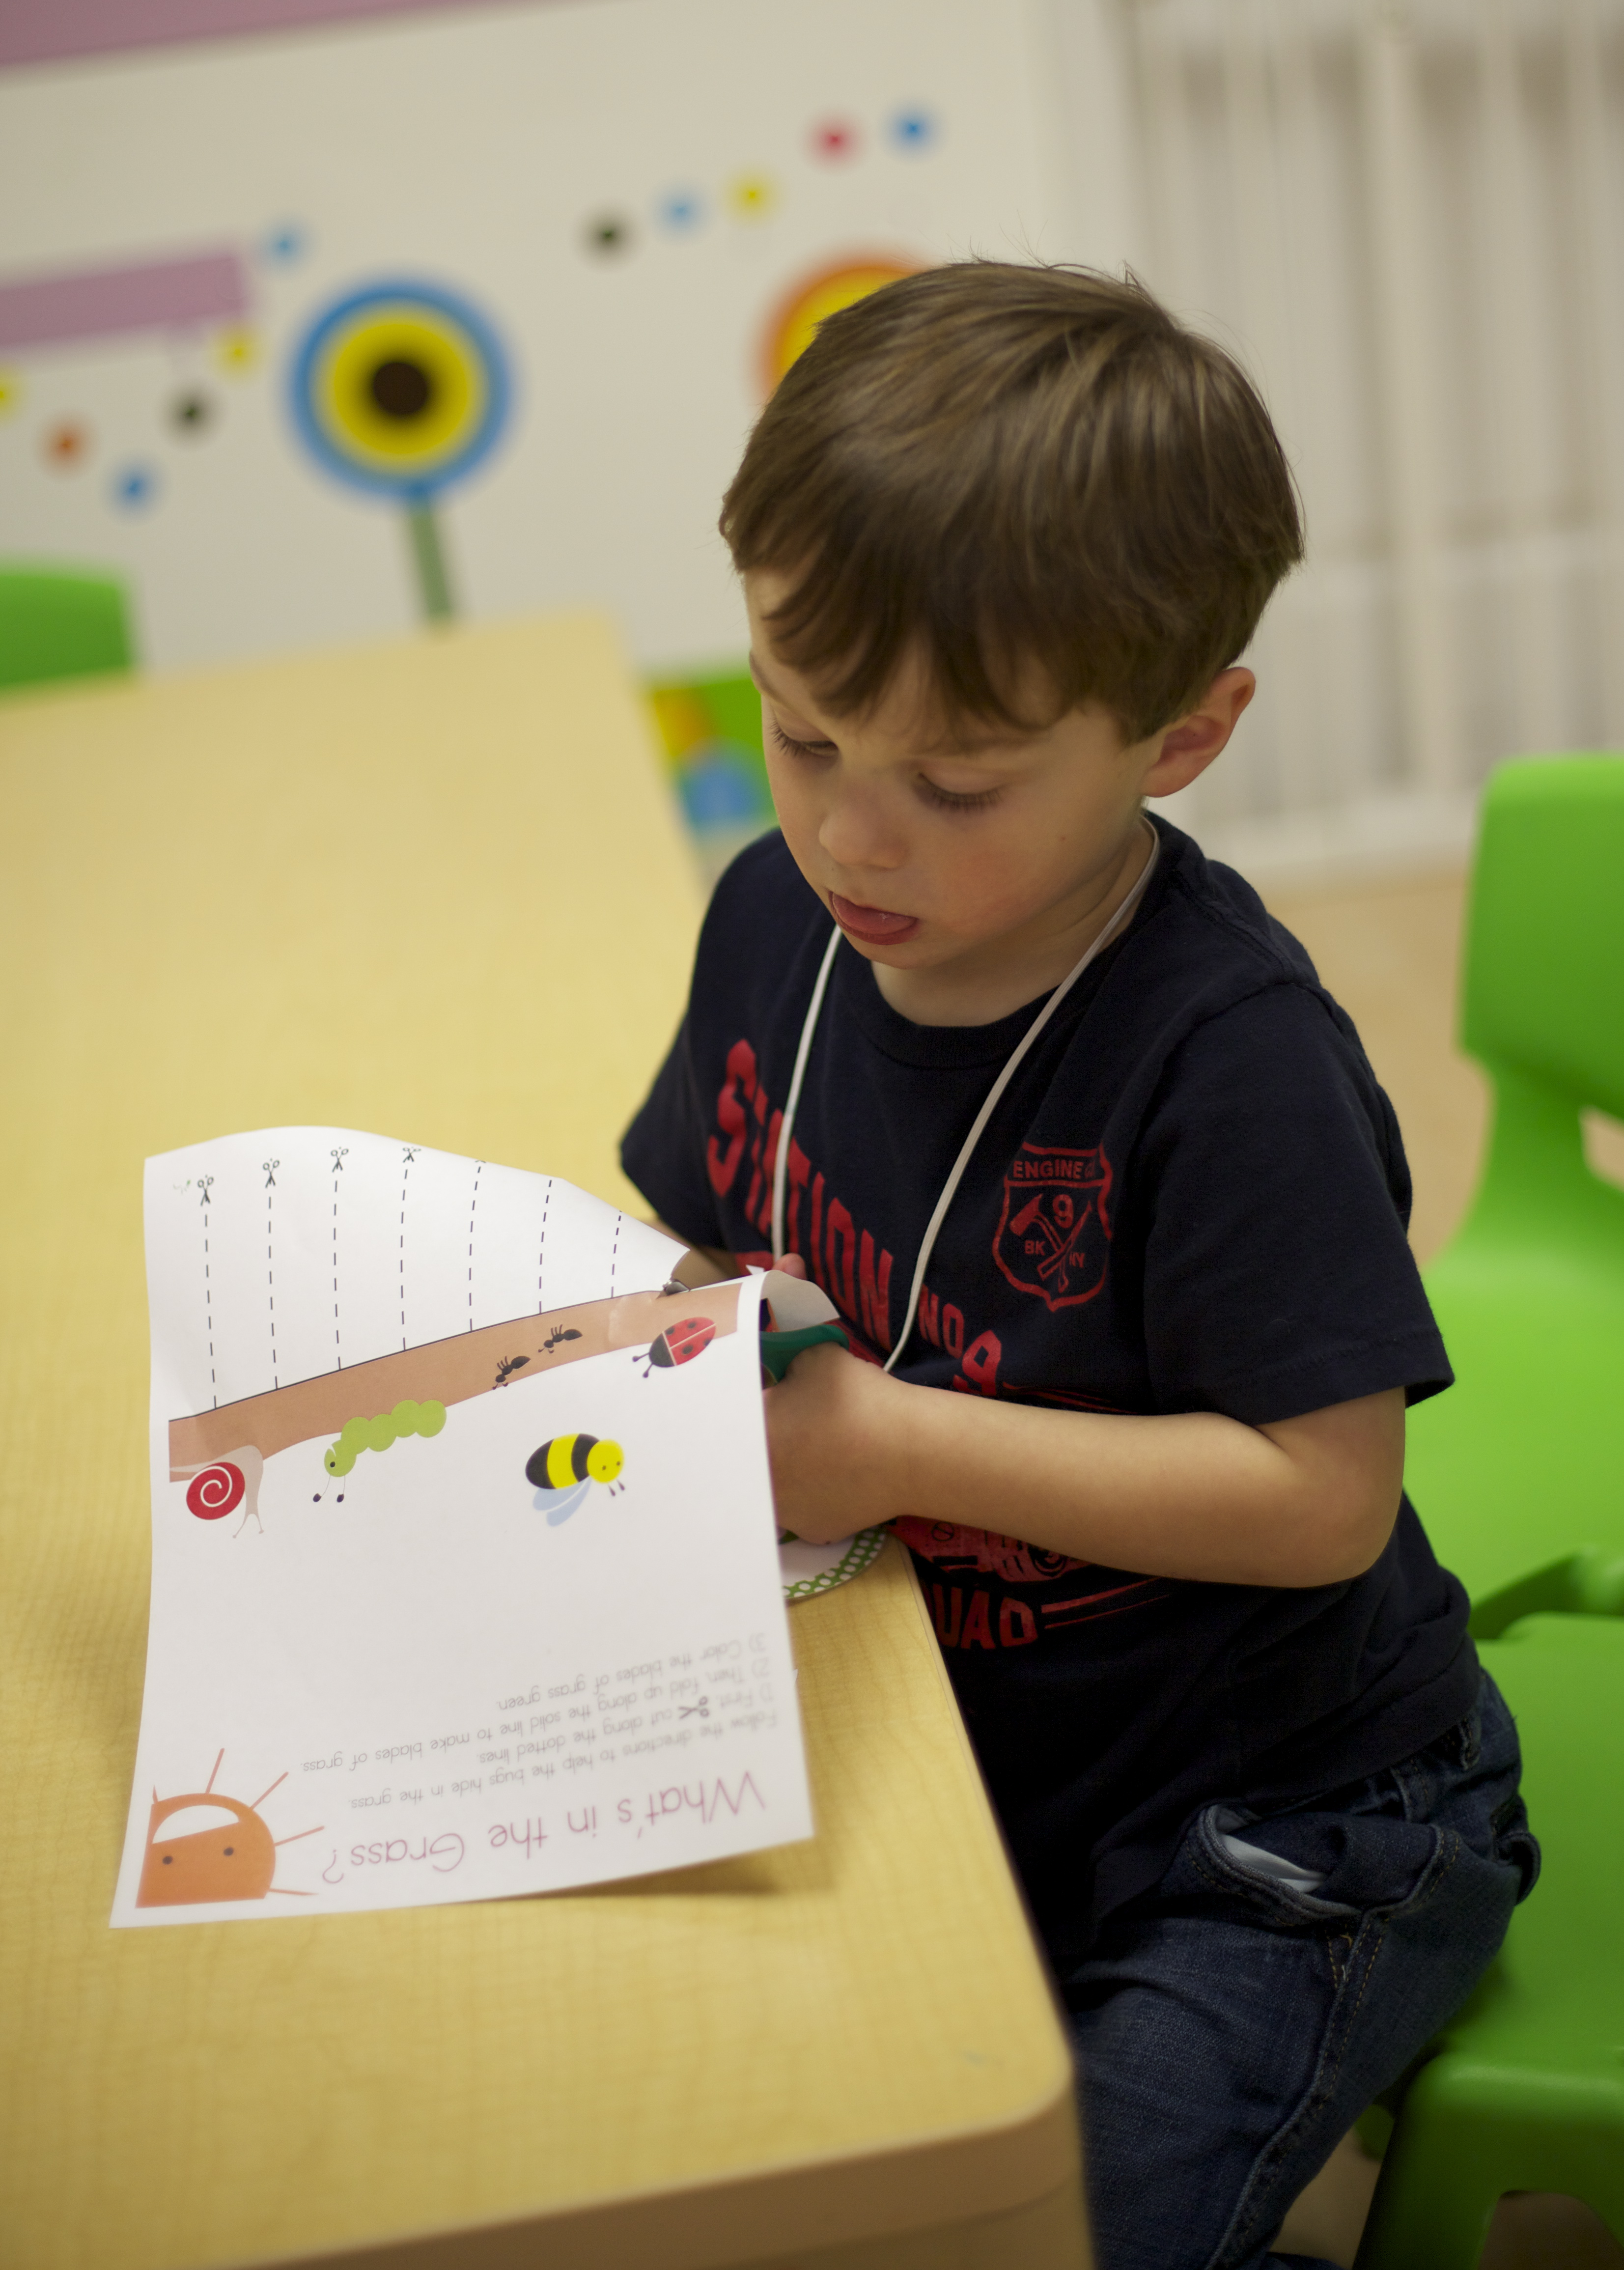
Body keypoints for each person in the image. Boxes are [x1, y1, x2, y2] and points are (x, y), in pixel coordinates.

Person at [620, 261, 1537, 2270]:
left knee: (1053, 2235)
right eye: (800, 732)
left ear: (1182, 736)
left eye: (954, 784)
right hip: (969, 1731)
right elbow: (705, 1230)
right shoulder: (775, 918)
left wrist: (888, 1446)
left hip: (1283, 1823)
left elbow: (1321, 1499)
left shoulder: (1231, 1060)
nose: (852, 836)